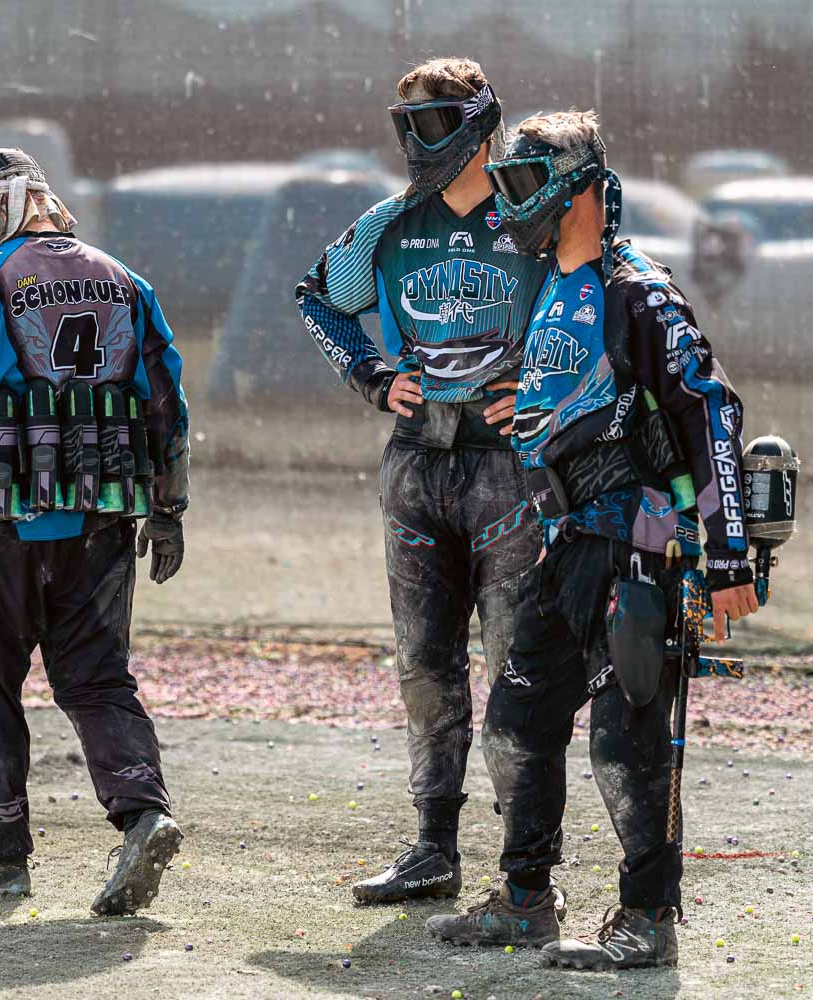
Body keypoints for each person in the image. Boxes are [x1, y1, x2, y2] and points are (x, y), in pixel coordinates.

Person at [424, 110, 758, 967]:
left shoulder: (637, 291)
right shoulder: (553, 284)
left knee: (625, 745)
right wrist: (528, 403)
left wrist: (728, 555)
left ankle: (648, 919)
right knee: (514, 727)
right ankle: (526, 901)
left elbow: (710, 409)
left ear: (581, 190)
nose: (510, 201)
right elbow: (578, 389)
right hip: (565, 547)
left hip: (639, 549)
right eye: (505, 182)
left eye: (525, 183)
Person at [0, 148, 191, 916]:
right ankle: (144, 815)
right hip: (104, 523)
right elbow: (166, 401)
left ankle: (0, 858)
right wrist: (169, 507)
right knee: (98, 680)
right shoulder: (126, 280)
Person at [295, 58, 548, 905]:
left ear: (481, 125)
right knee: (425, 666)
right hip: (417, 463)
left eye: (433, 123)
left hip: (513, 470)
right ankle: (434, 849)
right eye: (406, 126)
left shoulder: (535, 215)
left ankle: (525, 869)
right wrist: (370, 376)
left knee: (517, 667)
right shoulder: (389, 223)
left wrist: (544, 386)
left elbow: (600, 302)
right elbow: (318, 298)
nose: (416, 142)